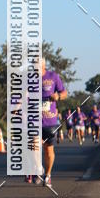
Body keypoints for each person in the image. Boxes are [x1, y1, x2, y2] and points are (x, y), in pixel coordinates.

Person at [39, 58, 67, 186]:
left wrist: (58, 96)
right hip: (33, 121)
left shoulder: (53, 76)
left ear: (43, 65)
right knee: (33, 146)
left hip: (49, 121)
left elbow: (64, 93)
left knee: (48, 150)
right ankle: (36, 169)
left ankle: (48, 174)